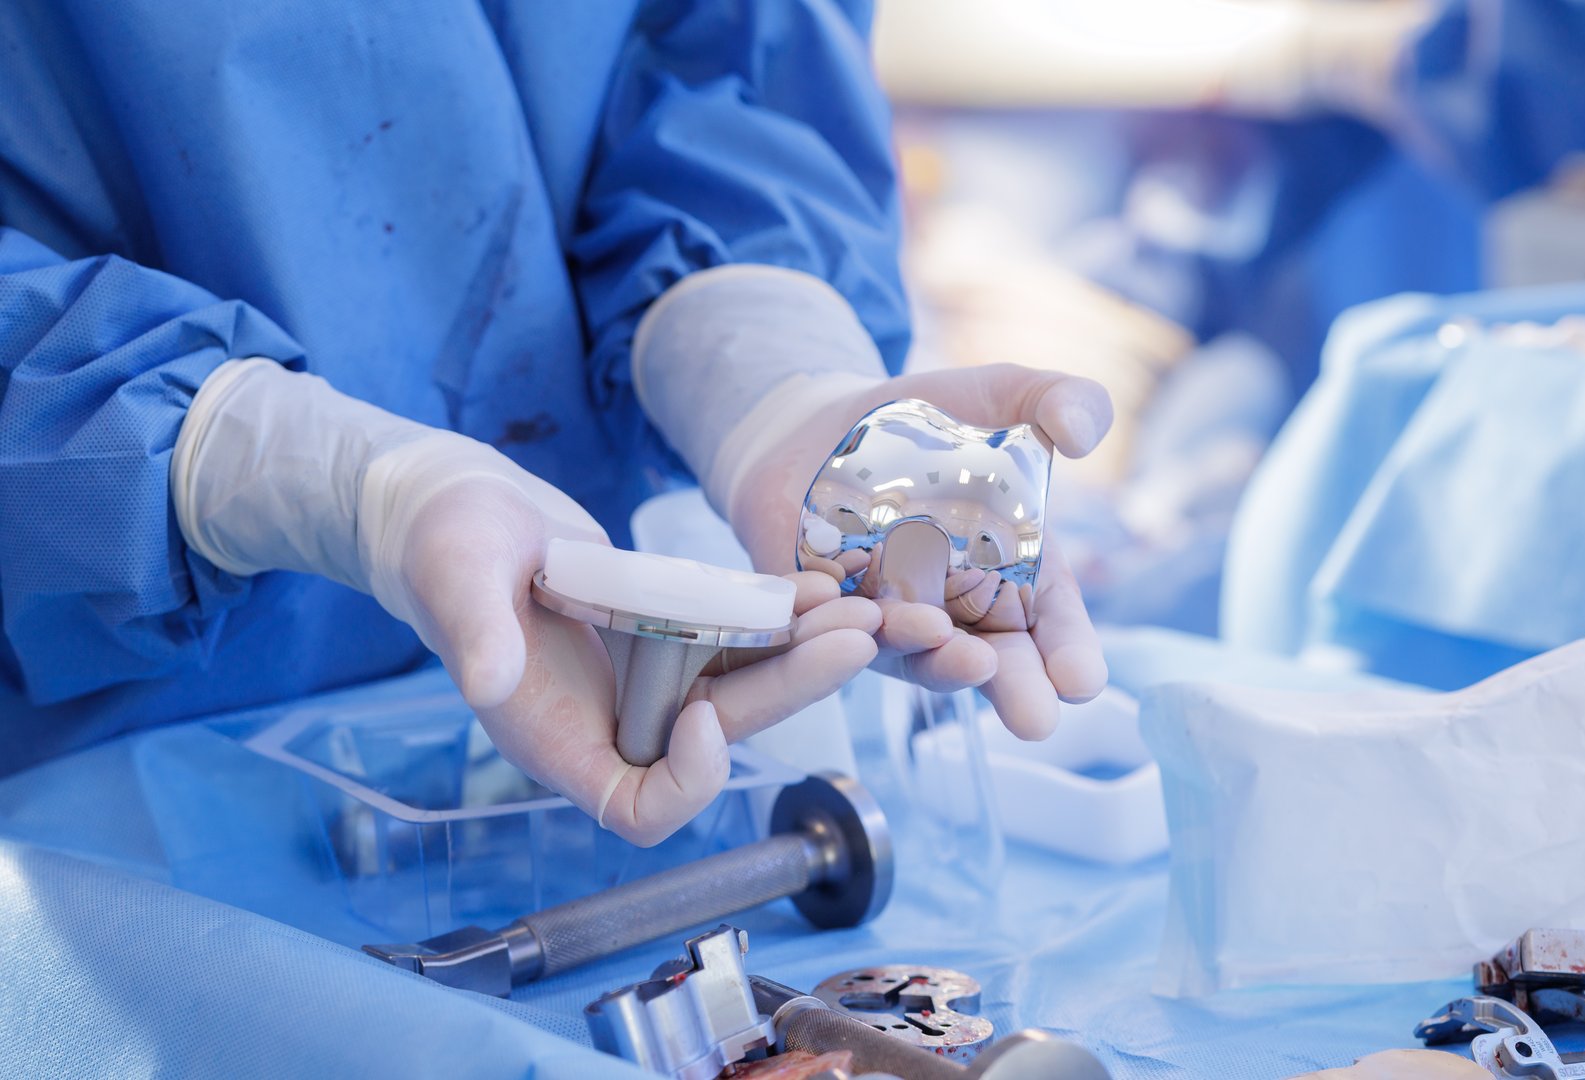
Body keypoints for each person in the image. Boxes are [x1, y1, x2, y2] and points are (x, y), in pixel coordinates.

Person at [0, 1, 1111, 844]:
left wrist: (767, 376)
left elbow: (724, 52)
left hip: (571, 679)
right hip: (92, 773)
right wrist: (254, 460)